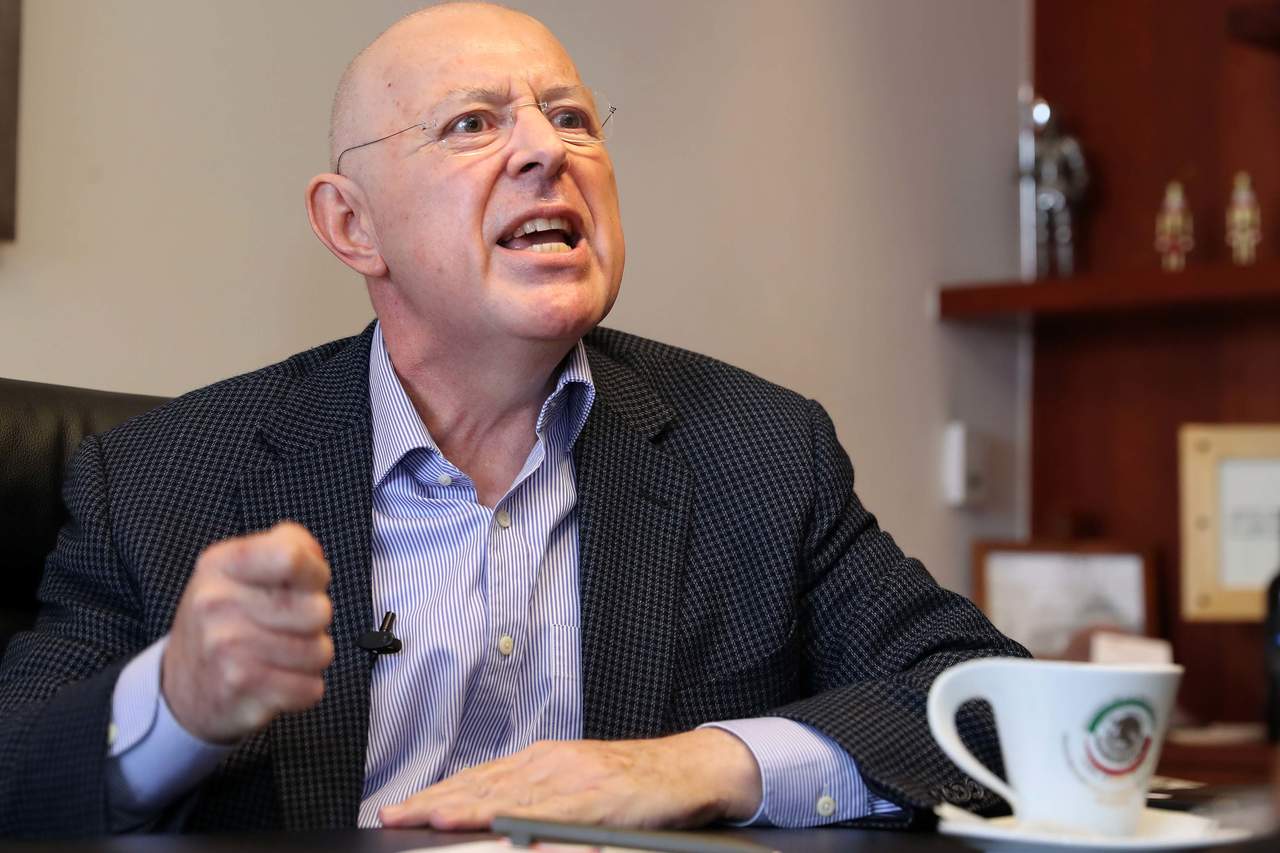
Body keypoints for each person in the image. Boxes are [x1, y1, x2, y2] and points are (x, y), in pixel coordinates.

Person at [0, 2, 1025, 838]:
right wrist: (175, 702)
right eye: (471, 124)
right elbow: (17, 773)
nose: (546, 150)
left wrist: (700, 764)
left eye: (571, 117)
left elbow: (991, 707)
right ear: (352, 224)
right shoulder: (160, 479)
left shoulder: (757, 451)